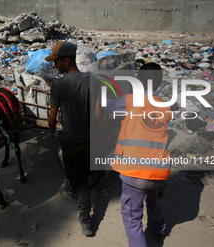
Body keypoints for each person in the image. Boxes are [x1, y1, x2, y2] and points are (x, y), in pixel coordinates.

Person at [105, 62, 171, 246]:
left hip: (134, 172)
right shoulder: (165, 107)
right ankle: (158, 230)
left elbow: (106, 106)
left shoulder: (129, 100)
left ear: (139, 81)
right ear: (159, 83)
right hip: (159, 171)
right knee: (154, 200)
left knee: (132, 218)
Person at [45, 41, 95, 237]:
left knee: (74, 172)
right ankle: (82, 208)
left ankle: (85, 216)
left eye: (56, 62)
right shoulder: (91, 79)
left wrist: (51, 130)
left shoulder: (58, 84)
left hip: (69, 139)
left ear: (66, 61)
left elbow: (52, 115)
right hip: (88, 138)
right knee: (80, 172)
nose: (54, 66)